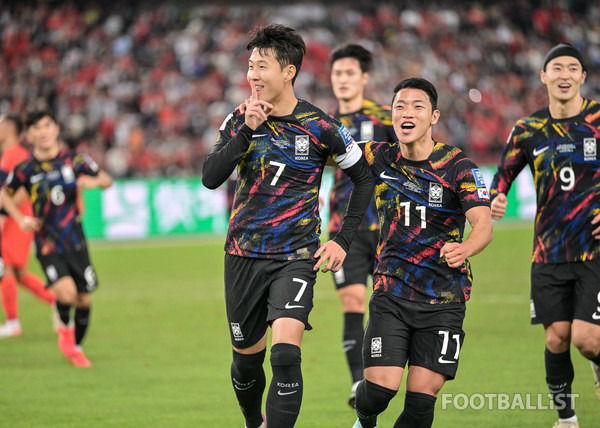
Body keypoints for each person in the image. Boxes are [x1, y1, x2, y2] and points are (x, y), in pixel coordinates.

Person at [202, 24, 374, 428]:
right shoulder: (238, 119)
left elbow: (363, 176)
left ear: (289, 71)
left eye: (262, 66)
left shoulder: (319, 125)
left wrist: (342, 240)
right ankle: (252, 421)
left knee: (284, 354)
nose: (252, 75)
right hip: (242, 255)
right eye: (250, 66)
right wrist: (247, 130)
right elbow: (210, 176)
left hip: (296, 256)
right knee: (246, 361)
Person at [352, 77, 493, 428]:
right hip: (391, 293)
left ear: (434, 117)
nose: (407, 112)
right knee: (380, 390)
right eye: (400, 106)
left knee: (420, 402)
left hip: (444, 299)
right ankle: (365, 418)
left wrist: (465, 248)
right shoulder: (377, 156)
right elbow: (325, 147)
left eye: (417, 106)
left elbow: (483, 224)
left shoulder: (460, 167)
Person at [489, 43, 600, 428]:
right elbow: (501, 177)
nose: (564, 74)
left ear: (583, 77)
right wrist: (496, 198)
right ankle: (566, 419)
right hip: (548, 252)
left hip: (595, 251)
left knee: (588, 339)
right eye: (557, 68)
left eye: (573, 68)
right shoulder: (528, 129)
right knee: (557, 339)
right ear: (544, 76)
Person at [1, 110, 113, 368]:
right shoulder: (25, 169)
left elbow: (106, 179)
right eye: (37, 128)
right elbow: (5, 195)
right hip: (48, 244)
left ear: (56, 129)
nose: (43, 132)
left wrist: (94, 183)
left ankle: (75, 347)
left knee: (84, 299)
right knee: (66, 294)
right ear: (29, 134)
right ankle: (64, 325)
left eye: (47, 126)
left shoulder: (75, 160)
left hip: (76, 242)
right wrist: (20, 219)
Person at [327, 43, 396, 408]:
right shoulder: (323, 123)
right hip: (344, 228)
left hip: (388, 228)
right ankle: (358, 385)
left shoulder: (386, 117)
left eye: (350, 72)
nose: (343, 79)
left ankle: (382, 377)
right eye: (337, 73)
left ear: (364, 77)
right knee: (353, 301)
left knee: (383, 306)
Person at [0, 114, 57, 338]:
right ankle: (58, 301)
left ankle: (13, 323)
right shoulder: (17, 155)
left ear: (8, 129)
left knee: (6, 270)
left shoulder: (12, 156)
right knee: (19, 273)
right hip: (21, 219)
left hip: (16, 220)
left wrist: (3, 214)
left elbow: (14, 192)